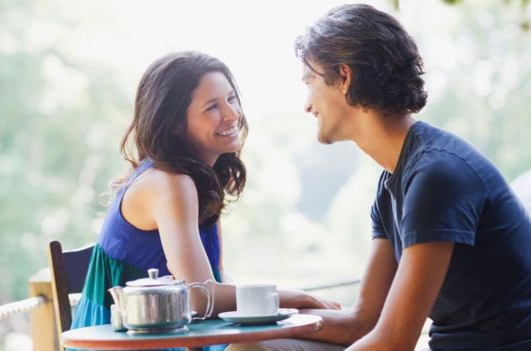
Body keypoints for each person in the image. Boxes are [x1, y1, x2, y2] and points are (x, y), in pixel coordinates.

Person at [228, 4, 531, 351]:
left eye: (309, 82)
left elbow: (393, 341)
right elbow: (363, 322)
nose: (307, 104)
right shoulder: (392, 184)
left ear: (344, 77)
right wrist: (263, 319)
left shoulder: (437, 175)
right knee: (253, 348)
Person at [70, 51, 339, 351]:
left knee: (323, 333)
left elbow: (215, 281)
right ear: (174, 124)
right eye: (212, 107)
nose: (231, 114)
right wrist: (294, 296)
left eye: (231, 99)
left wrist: (291, 305)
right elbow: (200, 296)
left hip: (184, 336)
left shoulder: (200, 182)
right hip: (135, 343)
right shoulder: (170, 183)